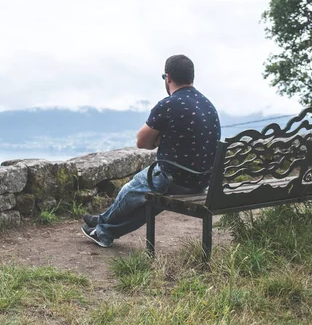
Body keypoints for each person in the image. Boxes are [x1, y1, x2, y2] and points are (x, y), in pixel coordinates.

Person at [81, 54, 221, 247]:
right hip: (202, 181)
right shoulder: (208, 105)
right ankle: (104, 228)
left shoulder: (168, 105)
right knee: (148, 200)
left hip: (174, 178)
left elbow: (141, 141)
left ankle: (103, 224)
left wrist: (157, 141)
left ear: (168, 77)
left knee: (130, 190)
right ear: (192, 77)